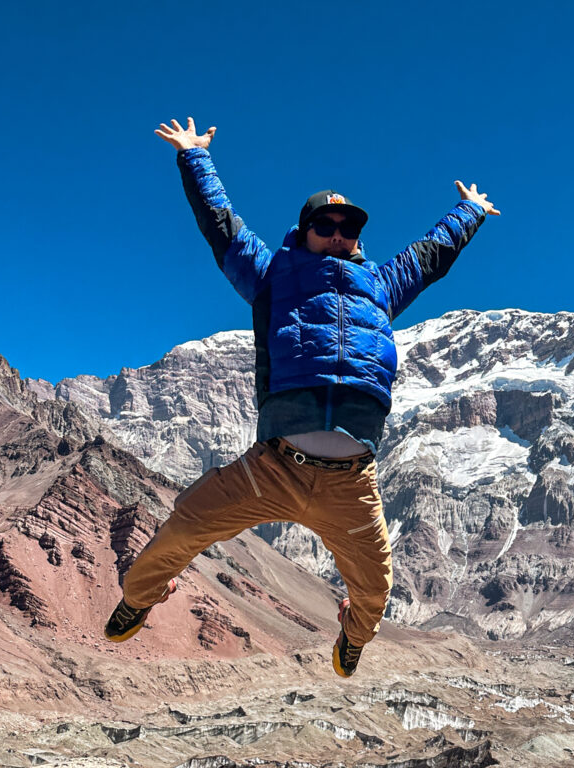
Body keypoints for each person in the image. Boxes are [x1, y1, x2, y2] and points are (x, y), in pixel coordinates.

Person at [104, 117, 499, 677]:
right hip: (276, 468)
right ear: (305, 230)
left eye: (349, 227)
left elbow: (430, 255)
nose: (339, 233)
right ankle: (139, 599)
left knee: (374, 589)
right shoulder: (272, 277)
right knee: (186, 525)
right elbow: (221, 227)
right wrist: (194, 157)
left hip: (350, 481)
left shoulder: (381, 286)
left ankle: (352, 636)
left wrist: (471, 211)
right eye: (326, 224)